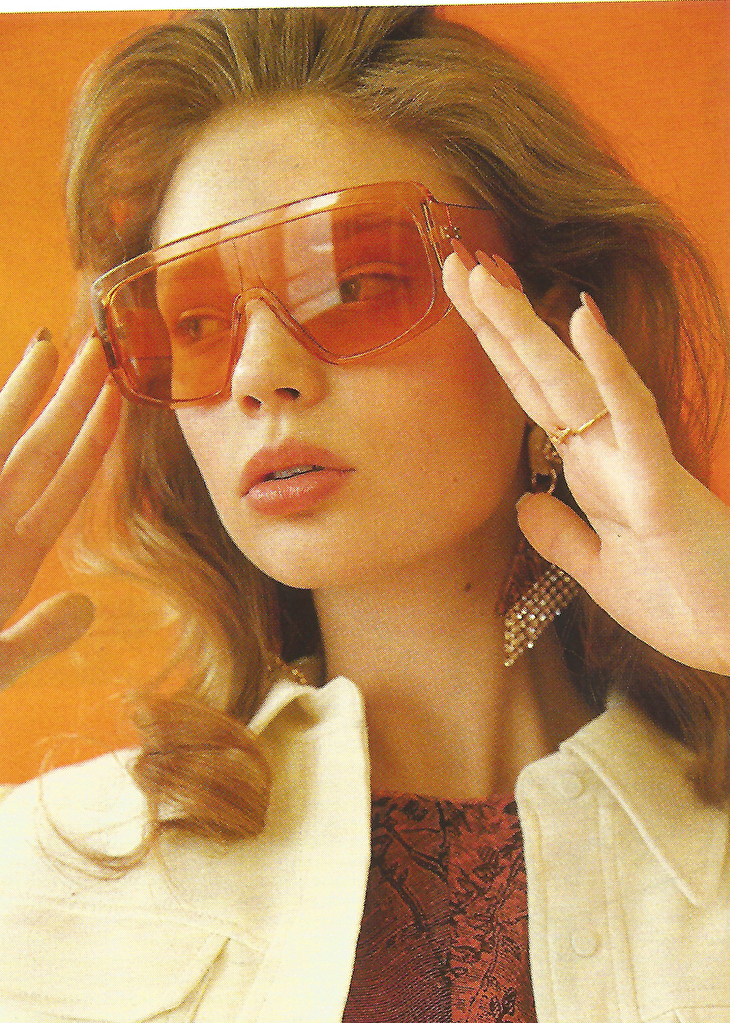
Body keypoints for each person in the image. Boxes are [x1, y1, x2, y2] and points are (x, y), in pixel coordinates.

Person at [0, 7, 729, 1022]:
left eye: (352, 284)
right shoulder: (44, 875)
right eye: (196, 323)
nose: (257, 374)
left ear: (554, 327)